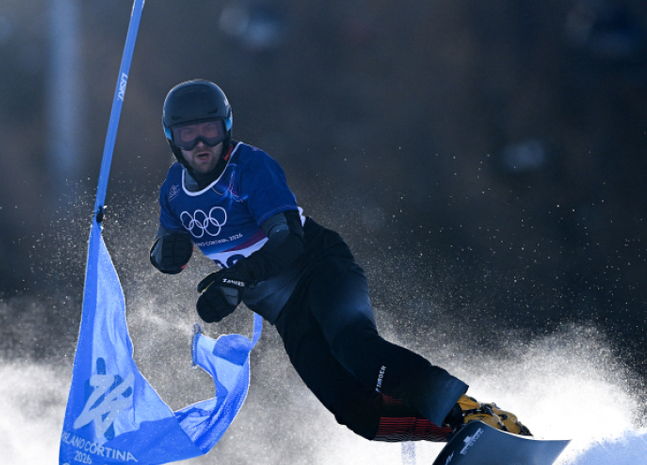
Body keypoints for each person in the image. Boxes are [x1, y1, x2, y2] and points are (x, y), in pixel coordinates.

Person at [150, 79, 530, 443]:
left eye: (210, 131)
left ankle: (469, 411)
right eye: (188, 134)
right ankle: (459, 433)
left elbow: (288, 241)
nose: (201, 143)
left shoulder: (250, 168)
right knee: (357, 411)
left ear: (227, 128)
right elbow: (171, 247)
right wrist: (164, 255)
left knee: (354, 347)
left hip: (320, 269)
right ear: (172, 139)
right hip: (285, 312)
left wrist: (236, 279)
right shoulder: (173, 190)